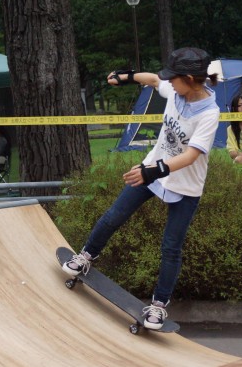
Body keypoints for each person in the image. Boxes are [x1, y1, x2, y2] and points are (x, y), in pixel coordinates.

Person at [61, 47, 220, 331]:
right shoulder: (174, 90)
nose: (170, 82)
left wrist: (152, 170)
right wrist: (128, 76)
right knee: (114, 216)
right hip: (153, 171)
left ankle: (158, 306)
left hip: (184, 184)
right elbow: (155, 80)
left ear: (190, 78)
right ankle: (86, 256)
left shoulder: (209, 113)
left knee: (171, 247)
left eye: (175, 78)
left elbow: (191, 156)